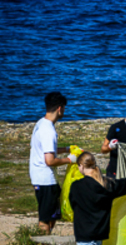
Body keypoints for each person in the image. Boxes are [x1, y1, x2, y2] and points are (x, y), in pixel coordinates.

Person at [29, 92, 76, 235]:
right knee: (45, 217)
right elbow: (49, 160)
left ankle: (46, 240)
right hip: (45, 179)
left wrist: (67, 149)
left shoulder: (40, 123)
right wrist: (69, 160)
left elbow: (47, 149)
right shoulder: (48, 130)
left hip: (41, 176)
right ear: (60, 109)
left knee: (54, 213)